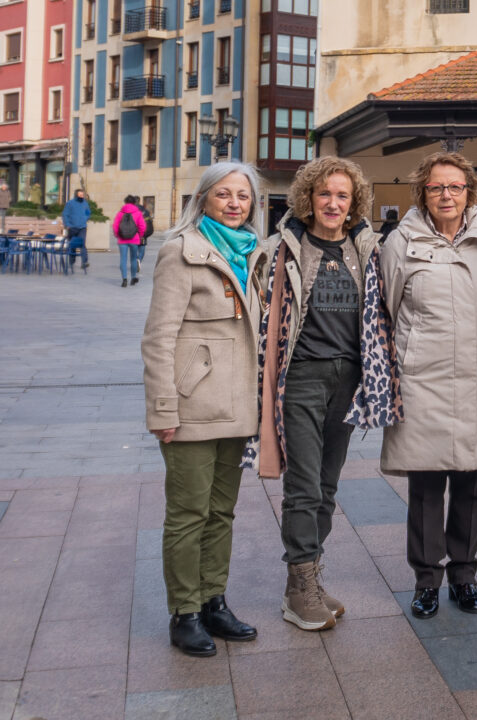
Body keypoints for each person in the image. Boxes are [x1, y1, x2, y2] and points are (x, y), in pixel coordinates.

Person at [259, 156, 400, 632]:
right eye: (324, 194)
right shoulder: (284, 248)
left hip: (349, 380)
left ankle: (310, 578)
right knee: (303, 487)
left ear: (354, 201)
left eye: (342, 195)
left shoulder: (368, 248)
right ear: (308, 199)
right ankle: (298, 589)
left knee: (327, 486)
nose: (333, 203)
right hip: (301, 377)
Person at [141, 162, 268, 657]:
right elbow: (158, 337)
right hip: (192, 408)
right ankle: (185, 612)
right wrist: (163, 408)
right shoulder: (180, 253)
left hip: (238, 409)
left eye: (244, 195)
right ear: (203, 199)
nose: (235, 203)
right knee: (188, 514)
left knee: (222, 512)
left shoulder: (253, 254)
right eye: (224, 194)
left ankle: (215, 601)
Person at [380, 151, 477, 619]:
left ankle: (465, 575)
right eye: (436, 187)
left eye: (455, 187)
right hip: (424, 379)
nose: (446, 195)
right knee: (427, 483)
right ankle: (426, 581)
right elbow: (389, 307)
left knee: (473, 482)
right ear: (423, 192)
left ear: (470, 192)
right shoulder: (401, 241)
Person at [113, 195, 147, 287]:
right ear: (134, 202)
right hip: (134, 239)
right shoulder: (138, 213)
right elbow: (142, 226)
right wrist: (139, 235)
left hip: (122, 240)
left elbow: (115, 226)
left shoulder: (120, 213)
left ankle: (124, 279)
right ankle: (133, 278)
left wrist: (117, 235)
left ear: (125, 202)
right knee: (133, 259)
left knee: (123, 260)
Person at [62, 188, 91, 272]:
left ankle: (84, 262)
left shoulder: (85, 203)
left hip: (82, 227)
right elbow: (65, 214)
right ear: (76, 195)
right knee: (72, 245)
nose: (82, 196)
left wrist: (85, 218)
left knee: (82, 244)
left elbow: (88, 212)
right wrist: (68, 225)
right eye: (80, 195)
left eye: (82, 195)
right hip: (72, 228)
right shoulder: (70, 203)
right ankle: (71, 261)